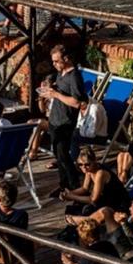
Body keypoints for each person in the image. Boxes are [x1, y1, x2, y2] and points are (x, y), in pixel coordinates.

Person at [39, 44, 85, 195]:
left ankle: (74, 186)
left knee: (64, 155)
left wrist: (57, 95)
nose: (54, 64)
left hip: (66, 121)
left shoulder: (74, 77)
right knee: (58, 155)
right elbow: (60, 92)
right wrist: (50, 90)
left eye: (57, 61)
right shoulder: (61, 73)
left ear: (66, 58)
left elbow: (77, 102)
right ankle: (63, 185)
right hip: (55, 119)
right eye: (53, 61)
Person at [62, 146, 130, 214]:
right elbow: (84, 188)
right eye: (80, 164)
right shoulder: (89, 170)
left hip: (119, 204)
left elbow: (93, 199)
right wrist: (69, 194)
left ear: (94, 161)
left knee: (84, 209)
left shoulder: (100, 173)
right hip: (107, 199)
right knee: (77, 206)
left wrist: (72, 196)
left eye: (87, 164)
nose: (84, 167)